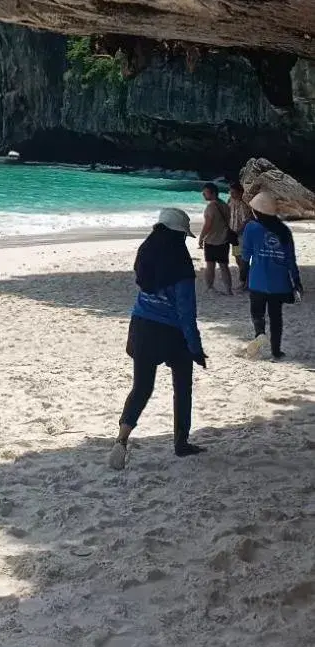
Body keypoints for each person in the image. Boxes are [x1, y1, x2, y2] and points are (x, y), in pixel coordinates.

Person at [109, 207, 207, 469]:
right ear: (178, 235)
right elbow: (186, 313)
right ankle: (180, 442)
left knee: (141, 387)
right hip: (172, 333)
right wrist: (196, 349)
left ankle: (121, 440)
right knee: (182, 386)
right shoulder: (181, 266)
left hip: (141, 326)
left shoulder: (145, 253)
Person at [242, 194, 303, 360]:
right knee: (276, 317)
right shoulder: (284, 230)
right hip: (280, 283)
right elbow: (291, 259)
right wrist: (296, 281)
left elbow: (246, 255)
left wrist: (243, 275)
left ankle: (260, 334)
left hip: (257, 281)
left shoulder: (251, 227)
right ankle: (276, 351)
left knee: (257, 313)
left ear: (256, 211)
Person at [197, 182, 233, 294]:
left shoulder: (211, 206)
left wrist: (201, 237)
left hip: (212, 240)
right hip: (224, 239)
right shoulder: (225, 205)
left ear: (213, 193)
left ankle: (210, 287)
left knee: (210, 265)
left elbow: (208, 225)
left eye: (205, 193)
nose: (203, 195)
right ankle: (228, 289)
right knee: (224, 266)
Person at [228, 178, 254, 291]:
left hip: (242, 236)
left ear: (240, 192)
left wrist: (237, 231)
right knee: (238, 258)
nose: (231, 194)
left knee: (243, 259)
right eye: (230, 192)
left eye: (233, 192)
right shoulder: (230, 201)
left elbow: (246, 221)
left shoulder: (244, 204)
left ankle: (246, 282)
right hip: (234, 234)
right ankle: (245, 280)